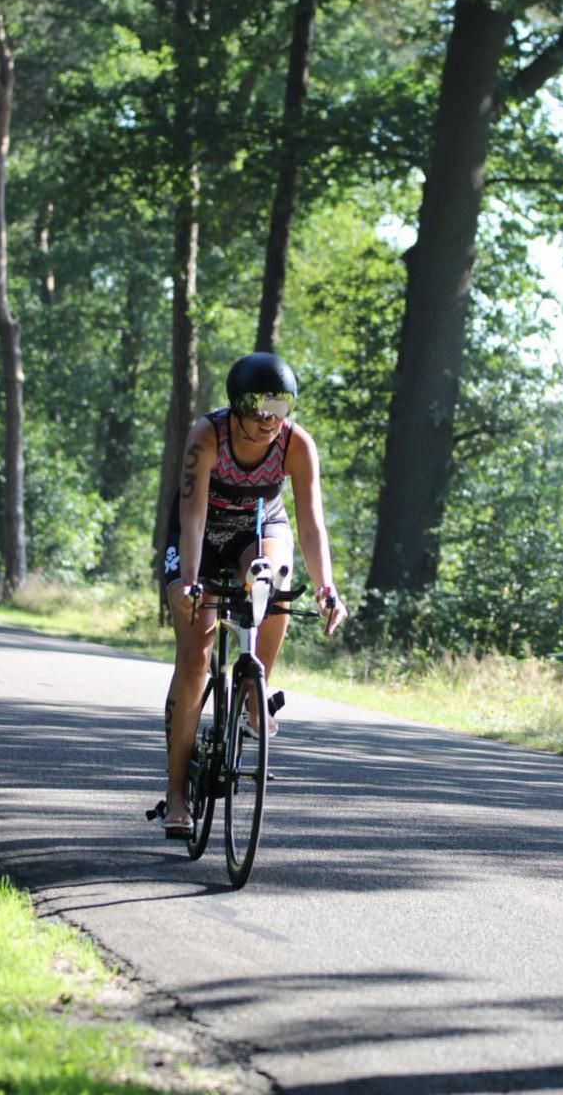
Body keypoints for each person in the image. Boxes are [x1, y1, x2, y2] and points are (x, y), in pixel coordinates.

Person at [159, 352, 347, 837]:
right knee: (196, 656)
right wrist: (191, 582)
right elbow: (193, 516)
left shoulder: (296, 445)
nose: (269, 421)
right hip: (200, 533)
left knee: (274, 577)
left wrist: (327, 587)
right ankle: (177, 794)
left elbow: (310, 524)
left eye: (279, 409)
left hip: (257, 532)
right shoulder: (207, 437)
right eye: (258, 409)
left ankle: (253, 694)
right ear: (236, 407)